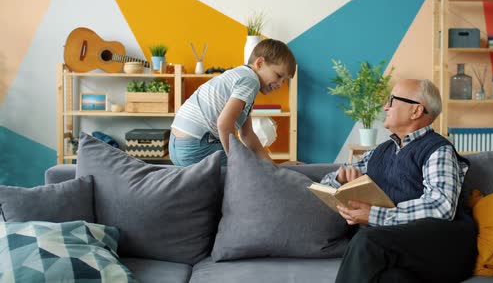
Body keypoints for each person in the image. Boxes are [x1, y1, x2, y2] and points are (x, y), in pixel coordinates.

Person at [321, 79, 477, 283]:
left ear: (416, 111)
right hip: (402, 249)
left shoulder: (438, 149)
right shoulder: (381, 151)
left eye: (392, 100)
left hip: (444, 248)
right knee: (392, 279)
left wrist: (374, 215)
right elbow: (326, 185)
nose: (385, 106)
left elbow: (442, 206)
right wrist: (340, 179)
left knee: (367, 240)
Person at [169, 38, 297, 166]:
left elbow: (248, 135)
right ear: (260, 63)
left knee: (250, 160)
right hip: (196, 146)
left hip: (176, 145)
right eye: (279, 76)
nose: (280, 84)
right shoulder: (250, 81)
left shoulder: (239, 76)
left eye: (284, 80)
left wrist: (272, 166)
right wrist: (236, 160)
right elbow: (224, 124)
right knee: (250, 165)